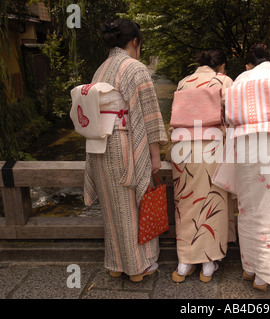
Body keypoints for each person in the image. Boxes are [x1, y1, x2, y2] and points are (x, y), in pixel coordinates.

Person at [83, 19, 168, 282]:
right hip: (124, 143)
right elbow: (150, 116)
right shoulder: (135, 68)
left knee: (112, 208)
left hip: (99, 146)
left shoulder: (101, 68)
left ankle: (116, 263)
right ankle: (138, 267)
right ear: (135, 42)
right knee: (133, 205)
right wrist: (155, 156)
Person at [213, 43, 270, 291]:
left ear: (248, 64)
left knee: (247, 207)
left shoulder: (239, 80)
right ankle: (266, 273)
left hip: (243, 147)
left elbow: (229, 120)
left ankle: (249, 267)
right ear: (268, 60)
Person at [170, 49, 235, 283]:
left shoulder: (183, 82)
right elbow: (232, 116)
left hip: (182, 149)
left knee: (186, 203)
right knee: (212, 199)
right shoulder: (223, 80)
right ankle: (208, 264)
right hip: (211, 147)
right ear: (222, 66)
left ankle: (184, 262)